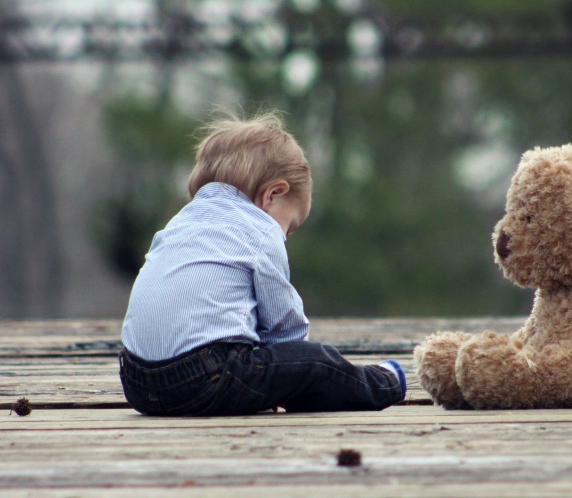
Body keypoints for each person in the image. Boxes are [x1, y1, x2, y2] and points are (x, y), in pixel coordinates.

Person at [118, 111, 406, 416]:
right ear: (273, 194)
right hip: (205, 379)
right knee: (317, 363)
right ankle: (385, 382)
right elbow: (284, 325)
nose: (285, 235)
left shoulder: (179, 223)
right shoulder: (259, 229)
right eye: (290, 226)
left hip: (136, 382)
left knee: (277, 370)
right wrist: (292, 368)